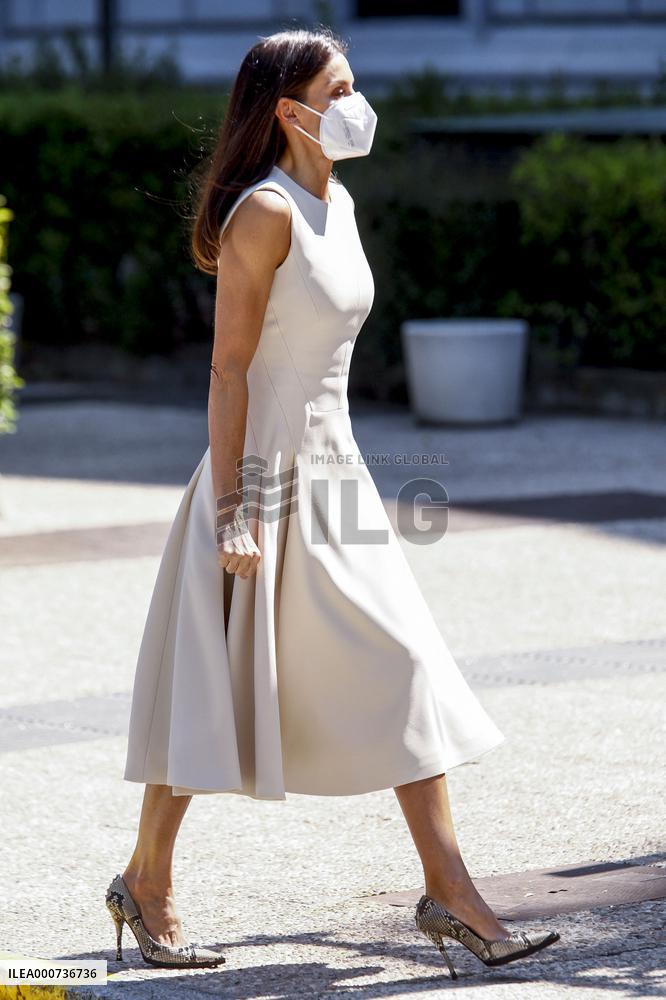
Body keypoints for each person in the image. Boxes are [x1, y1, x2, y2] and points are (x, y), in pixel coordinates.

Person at [106, 27, 559, 978]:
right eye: (340, 86)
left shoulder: (336, 202)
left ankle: (450, 891)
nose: (358, 102)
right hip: (263, 477)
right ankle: (146, 882)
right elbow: (228, 372)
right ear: (289, 109)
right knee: (218, 687)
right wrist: (234, 508)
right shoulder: (261, 215)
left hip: (336, 470)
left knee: (398, 659)